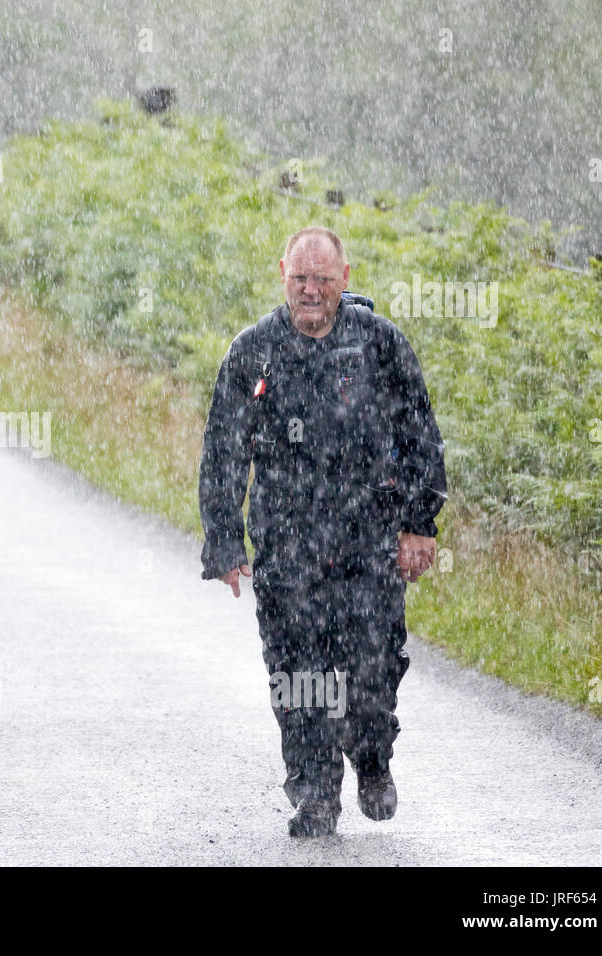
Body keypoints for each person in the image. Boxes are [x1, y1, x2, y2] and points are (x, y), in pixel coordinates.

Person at [198, 225, 447, 837]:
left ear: (345, 279)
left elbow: (420, 435)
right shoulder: (252, 352)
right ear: (282, 271)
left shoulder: (381, 346)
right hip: (287, 551)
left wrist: (419, 524)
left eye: (323, 279)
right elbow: (224, 451)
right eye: (300, 278)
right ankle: (312, 793)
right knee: (298, 674)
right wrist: (225, 541)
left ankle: (370, 757)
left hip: (368, 546)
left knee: (371, 672)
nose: (311, 290)